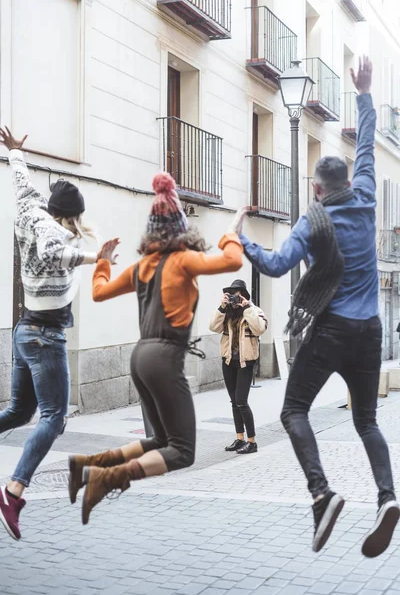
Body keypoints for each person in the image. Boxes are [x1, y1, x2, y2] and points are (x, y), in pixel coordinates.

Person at [233, 57, 399, 558]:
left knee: (293, 410)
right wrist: (364, 92)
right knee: (366, 421)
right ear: (347, 181)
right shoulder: (366, 193)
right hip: (370, 332)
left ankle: (321, 494)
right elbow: (367, 144)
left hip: (329, 333)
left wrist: (242, 240)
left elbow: (278, 265)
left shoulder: (312, 221)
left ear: (317, 189)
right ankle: (388, 497)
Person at [68, 171, 243, 525]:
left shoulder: (142, 266)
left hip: (139, 357)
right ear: (182, 228)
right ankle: (106, 478)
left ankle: (88, 465)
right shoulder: (183, 260)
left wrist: (102, 260)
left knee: (161, 438)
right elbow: (232, 261)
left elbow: (98, 292)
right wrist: (232, 231)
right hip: (163, 360)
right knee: (183, 452)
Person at [0, 127, 100, 540]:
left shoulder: (30, 207)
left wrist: (15, 153)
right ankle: (14, 490)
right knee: (54, 417)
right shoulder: (53, 231)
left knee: (20, 412)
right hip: (43, 337)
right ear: (70, 216)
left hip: (24, 331)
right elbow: (53, 251)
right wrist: (93, 255)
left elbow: (21, 181)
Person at [210, 280, 267, 454]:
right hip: (228, 362)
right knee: (234, 402)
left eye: (237, 294)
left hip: (245, 362)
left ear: (243, 295)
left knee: (242, 401)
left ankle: (252, 442)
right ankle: (240, 438)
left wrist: (247, 308)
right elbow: (213, 327)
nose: (234, 297)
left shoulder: (254, 311)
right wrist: (222, 307)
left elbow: (260, 329)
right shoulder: (227, 313)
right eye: (231, 294)